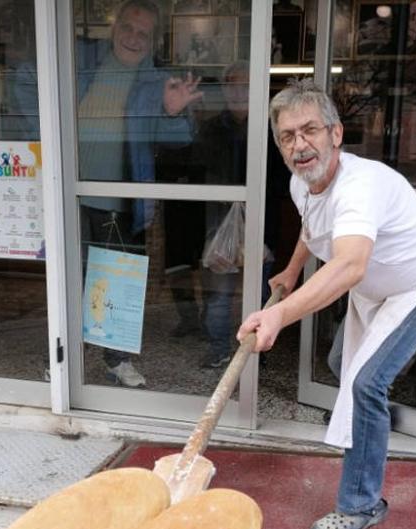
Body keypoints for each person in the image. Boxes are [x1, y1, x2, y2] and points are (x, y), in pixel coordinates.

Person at [237, 79, 416, 529]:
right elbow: (311, 227)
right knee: (343, 365)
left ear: (336, 134)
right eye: (287, 136)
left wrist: (279, 315)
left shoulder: (362, 184)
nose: (300, 145)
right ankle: (373, 420)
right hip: (375, 289)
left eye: (310, 130)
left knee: (364, 383)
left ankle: (362, 503)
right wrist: (293, 271)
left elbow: (350, 264)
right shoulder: (306, 182)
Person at [76, 0, 202, 387]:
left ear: (152, 41)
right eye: (128, 27)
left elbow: (177, 139)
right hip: (71, 195)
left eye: (143, 33)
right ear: (114, 28)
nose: (133, 37)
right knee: (70, 280)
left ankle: (117, 362)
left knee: (117, 284)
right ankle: (63, 359)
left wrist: (172, 112)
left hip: (119, 202)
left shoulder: (154, 82)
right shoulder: (81, 64)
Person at [192, 61, 287, 368]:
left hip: (261, 225)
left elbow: (281, 184)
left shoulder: (271, 131)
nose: (239, 91)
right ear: (224, 88)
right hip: (220, 226)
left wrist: (266, 232)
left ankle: (256, 353)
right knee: (219, 298)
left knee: (258, 295)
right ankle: (219, 348)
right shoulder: (211, 129)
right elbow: (200, 176)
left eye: (246, 85)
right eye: (232, 84)